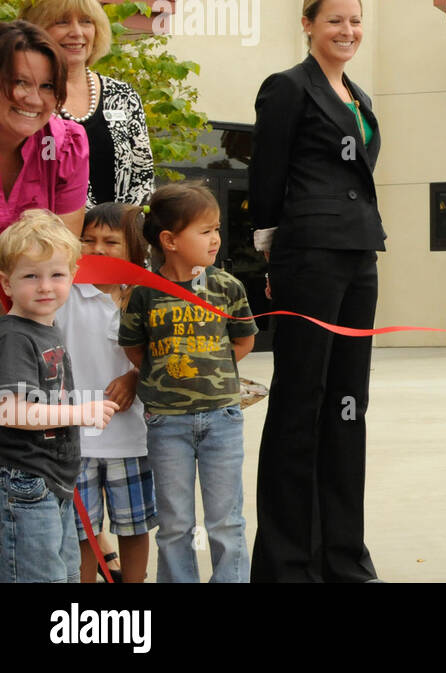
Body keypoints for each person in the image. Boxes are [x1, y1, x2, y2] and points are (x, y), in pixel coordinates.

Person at [249, 0, 385, 583]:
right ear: (308, 24)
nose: (347, 31)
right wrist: (273, 259)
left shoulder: (358, 96)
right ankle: (287, 564)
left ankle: (341, 557)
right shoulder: (287, 88)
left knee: (348, 409)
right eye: (334, 20)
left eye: (355, 21)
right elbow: (266, 181)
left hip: (359, 258)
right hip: (307, 258)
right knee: (299, 407)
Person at [118, 181, 257, 583]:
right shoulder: (144, 293)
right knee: (176, 523)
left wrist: (208, 366)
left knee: (226, 522)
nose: (215, 238)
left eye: (216, 229)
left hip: (222, 421)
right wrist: (170, 369)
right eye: (205, 230)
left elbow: (243, 340)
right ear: (169, 240)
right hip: (167, 424)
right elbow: (135, 349)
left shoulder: (227, 287)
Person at [0, 209, 117, 583]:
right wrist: (80, 412)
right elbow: (10, 410)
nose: (45, 287)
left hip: (54, 482)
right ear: (6, 284)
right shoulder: (15, 336)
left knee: (66, 574)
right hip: (26, 481)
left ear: (73, 277)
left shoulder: (46, 329)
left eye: (56, 275)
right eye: (30, 276)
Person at [55, 202, 157, 583]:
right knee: (81, 532)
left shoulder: (145, 298)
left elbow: (159, 353)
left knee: (134, 526)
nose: (96, 248)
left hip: (131, 438)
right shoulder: (63, 294)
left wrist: (134, 375)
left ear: (134, 249)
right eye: (88, 239)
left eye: (110, 241)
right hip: (74, 439)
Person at [23, 0, 154, 207]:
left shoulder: (123, 97)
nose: (77, 32)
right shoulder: (21, 98)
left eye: (86, 21)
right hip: (44, 238)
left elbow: (143, 178)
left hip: (118, 238)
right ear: (35, 28)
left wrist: (122, 234)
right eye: (61, 22)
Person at [0, 21, 88, 241]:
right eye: (20, 82)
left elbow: (60, 256)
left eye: (47, 86)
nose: (34, 100)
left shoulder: (66, 146)